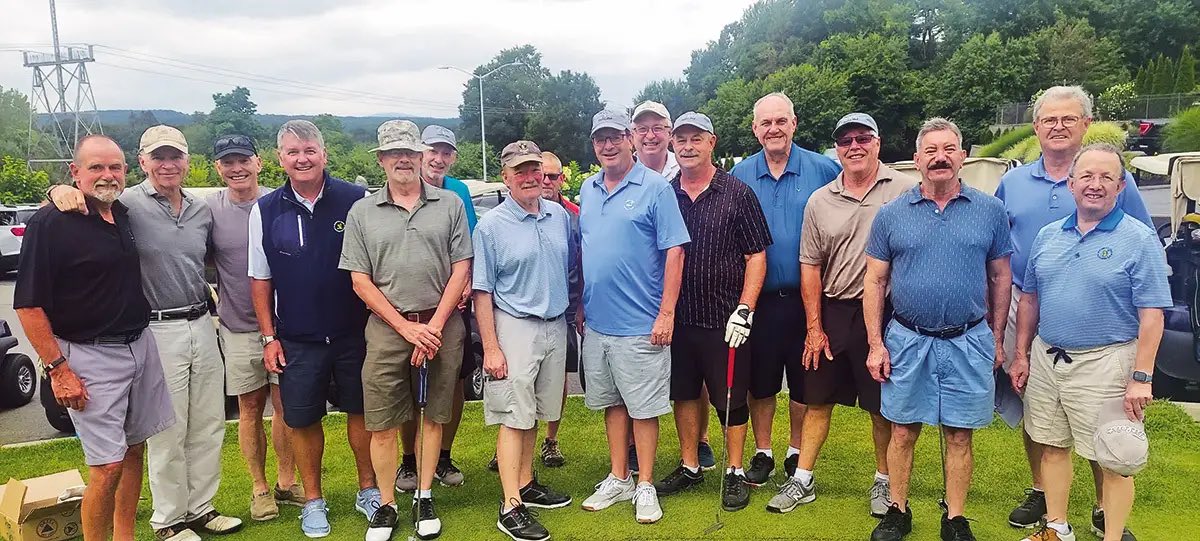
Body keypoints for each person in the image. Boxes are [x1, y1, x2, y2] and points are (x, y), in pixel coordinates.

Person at [49, 126, 241, 540]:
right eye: (159, 157)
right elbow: (81, 192)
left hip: (201, 323)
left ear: (188, 162)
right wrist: (56, 190)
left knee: (208, 424)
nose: (167, 165)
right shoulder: (126, 202)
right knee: (167, 431)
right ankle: (168, 520)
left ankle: (200, 508)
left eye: (175, 157)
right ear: (143, 162)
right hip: (155, 329)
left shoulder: (199, 208)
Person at [995, 86, 1154, 537]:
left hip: (1100, 319)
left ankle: (1105, 509)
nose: (1058, 127)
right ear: (1037, 126)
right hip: (1030, 308)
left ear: (1085, 124)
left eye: (1068, 119)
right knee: (1039, 415)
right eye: (1049, 120)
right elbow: (1000, 252)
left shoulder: (1112, 177)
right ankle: (1044, 495)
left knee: (1101, 422)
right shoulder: (1014, 182)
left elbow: (1141, 248)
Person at [15, 135, 175, 541]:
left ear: (126, 171)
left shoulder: (119, 212)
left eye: (115, 167)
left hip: (139, 346)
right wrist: (57, 369)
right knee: (106, 467)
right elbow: (29, 307)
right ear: (75, 172)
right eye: (96, 168)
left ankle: (125, 537)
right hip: (88, 356)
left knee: (135, 448)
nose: (107, 176)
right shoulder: (50, 223)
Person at [865, 118, 1013, 541]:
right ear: (917, 161)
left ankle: (955, 517)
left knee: (959, 433)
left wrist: (996, 338)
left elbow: (1001, 277)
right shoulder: (892, 214)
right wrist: (876, 344)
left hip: (968, 339)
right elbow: (874, 281)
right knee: (902, 429)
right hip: (908, 340)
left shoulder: (990, 211)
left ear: (962, 156)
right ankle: (898, 509)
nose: (940, 158)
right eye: (930, 151)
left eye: (949, 149)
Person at [770, 113, 918, 515]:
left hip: (888, 315)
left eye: (862, 138)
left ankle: (884, 482)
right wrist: (814, 327)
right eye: (845, 140)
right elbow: (810, 266)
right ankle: (803, 478)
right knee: (817, 400)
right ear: (837, 148)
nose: (854, 146)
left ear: (877, 142)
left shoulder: (906, 190)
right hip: (834, 310)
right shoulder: (821, 198)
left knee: (881, 406)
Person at [342, 120, 472, 541]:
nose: (403, 159)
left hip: (441, 322)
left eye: (410, 153)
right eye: (393, 153)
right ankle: (386, 503)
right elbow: (360, 280)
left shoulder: (449, 203)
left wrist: (432, 326)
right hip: (386, 327)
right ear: (381, 159)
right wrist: (405, 328)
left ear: (420, 157)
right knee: (381, 421)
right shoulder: (362, 211)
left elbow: (461, 268)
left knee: (435, 412)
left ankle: (426, 493)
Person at [249, 120, 380, 538]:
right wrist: (269, 337)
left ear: (324, 154)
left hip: (354, 333)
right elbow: (260, 278)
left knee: (362, 414)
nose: (302, 158)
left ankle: (369, 490)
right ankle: (313, 501)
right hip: (298, 338)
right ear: (280, 159)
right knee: (303, 420)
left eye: (309, 150)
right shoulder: (266, 209)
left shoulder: (356, 199)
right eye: (292, 152)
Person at [653, 112, 771, 513]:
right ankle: (690, 465)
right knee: (683, 394)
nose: (687, 146)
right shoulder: (665, 193)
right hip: (680, 319)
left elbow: (756, 255)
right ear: (673, 144)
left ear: (711, 142)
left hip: (725, 320)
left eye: (696, 138)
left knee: (731, 399)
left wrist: (746, 308)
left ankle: (735, 470)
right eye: (681, 139)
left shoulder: (737, 193)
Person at [577, 108, 690, 524]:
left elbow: (674, 251)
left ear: (629, 138)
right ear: (594, 145)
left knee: (644, 409)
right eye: (599, 139)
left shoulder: (656, 187)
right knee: (612, 404)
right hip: (599, 325)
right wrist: (583, 305)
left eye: (614, 137)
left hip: (642, 323)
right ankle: (619, 477)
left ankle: (645, 485)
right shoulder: (587, 188)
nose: (607, 146)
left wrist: (666, 314)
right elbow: (589, 250)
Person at [729, 92, 842, 486]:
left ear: (794, 123)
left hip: (808, 299)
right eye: (766, 123)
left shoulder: (824, 170)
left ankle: (796, 450)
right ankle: (763, 451)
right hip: (758, 302)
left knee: (803, 379)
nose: (773, 129)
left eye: (781, 121)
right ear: (755, 129)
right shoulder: (740, 176)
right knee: (759, 383)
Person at [474, 140, 575, 541]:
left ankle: (528, 482)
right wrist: (492, 346)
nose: (531, 177)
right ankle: (510, 505)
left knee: (535, 411)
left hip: (555, 322)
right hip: (514, 325)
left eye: (535, 169)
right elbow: (481, 291)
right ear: (506, 177)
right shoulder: (491, 226)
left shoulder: (557, 216)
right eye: (521, 171)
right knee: (513, 415)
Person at [204, 134, 304, 521]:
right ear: (218, 168)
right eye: (227, 162)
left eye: (243, 160)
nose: (237, 168)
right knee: (249, 407)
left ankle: (286, 480)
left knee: (285, 406)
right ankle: (259, 488)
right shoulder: (208, 209)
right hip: (240, 326)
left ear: (260, 162)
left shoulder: (280, 203)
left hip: (288, 326)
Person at [395, 125, 477, 493]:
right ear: (419, 153)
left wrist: (467, 282)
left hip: (453, 307)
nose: (439, 158)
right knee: (411, 388)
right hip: (412, 310)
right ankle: (409, 461)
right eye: (433, 151)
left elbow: (468, 249)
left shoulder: (458, 192)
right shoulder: (400, 191)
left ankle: (443, 456)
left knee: (453, 383)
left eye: (447, 152)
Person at [537, 150, 581, 467]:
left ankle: (551, 440)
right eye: (543, 175)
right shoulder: (511, 213)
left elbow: (582, 264)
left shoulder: (575, 215)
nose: (547, 181)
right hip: (522, 313)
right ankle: (507, 442)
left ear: (562, 179)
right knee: (517, 379)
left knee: (558, 378)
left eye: (554, 175)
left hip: (564, 309)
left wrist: (579, 308)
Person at [632, 100, 680, 180]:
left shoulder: (682, 167)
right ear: (632, 135)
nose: (650, 136)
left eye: (657, 128)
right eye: (642, 129)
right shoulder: (621, 172)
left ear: (670, 133)